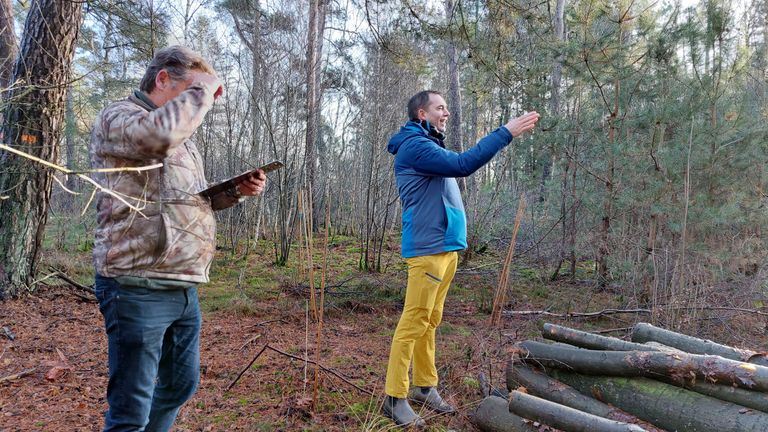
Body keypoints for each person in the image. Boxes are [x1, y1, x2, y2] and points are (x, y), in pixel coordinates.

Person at [89, 46, 266, 432]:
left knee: (179, 385)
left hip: (183, 284)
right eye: (192, 87)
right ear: (163, 79)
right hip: (136, 282)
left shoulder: (181, 138)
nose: (201, 99)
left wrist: (234, 191)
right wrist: (204, 89)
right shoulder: (120, 117)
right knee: (130, 409)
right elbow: (157, 137)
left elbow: (189, 200)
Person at [383, 90, 540, 427]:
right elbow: (463, 165)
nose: (447, 113)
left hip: (444, 248)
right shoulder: (415, 146)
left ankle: (424, 386)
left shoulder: (429, 144)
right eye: (441, 108)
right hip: (427, 250)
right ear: (422, 114)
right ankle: (394, 397)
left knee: (430, 320)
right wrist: (506, 131)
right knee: (413, 322)